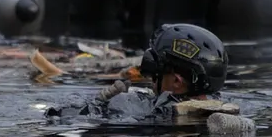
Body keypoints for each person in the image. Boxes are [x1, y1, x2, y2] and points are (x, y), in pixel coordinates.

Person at [46, 23, 228, 122]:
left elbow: (55, 115)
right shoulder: (224, 114)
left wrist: (97, 105)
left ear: (177, 82)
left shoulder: (147, 114)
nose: (151, 79)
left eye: (158, 69)